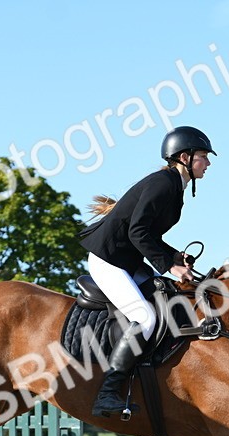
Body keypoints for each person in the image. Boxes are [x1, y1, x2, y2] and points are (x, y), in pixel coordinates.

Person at [78, 125, 214, 417]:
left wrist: (174, 254)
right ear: (185, 157)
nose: (208, 163)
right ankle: (107, 393)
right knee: (145, 317)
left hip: (126, 260)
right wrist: (170, 265)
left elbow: (148, 235)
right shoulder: (164, 184)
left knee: (166, 296)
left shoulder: (173, 186)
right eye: (203, 156)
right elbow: (139, 232)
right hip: (108, 260)